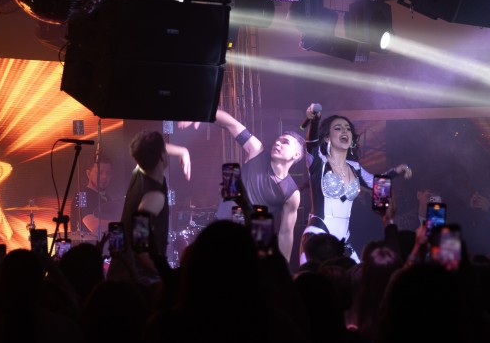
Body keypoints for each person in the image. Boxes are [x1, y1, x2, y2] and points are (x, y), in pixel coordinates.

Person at [176, 108, 304, 269]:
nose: (278, 143)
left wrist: (283, 271)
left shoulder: (292, 193)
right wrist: (199, 114)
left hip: (253, 245)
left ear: (296, 155)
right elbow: (231, 123)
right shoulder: (257, 151)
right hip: (224, 230)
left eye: (285, 142)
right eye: (278, 140)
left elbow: (286, 234)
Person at [301, 105, 411, 264]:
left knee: (359, 274)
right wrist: (315, 122)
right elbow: (311, 144)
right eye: (338, 128)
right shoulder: (319, 163)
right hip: (317, 236)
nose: (344, 131)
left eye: (347, 129)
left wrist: (397, 171)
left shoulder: (355, 168)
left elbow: (377, 182)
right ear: (326, 138)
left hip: (343, 240)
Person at [110, 129, 190, 286]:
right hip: (138, 282)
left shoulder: (139, 170)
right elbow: (140, 246)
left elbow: (150, 148)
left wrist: (183, 151)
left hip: (123, 274)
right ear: (161, 156)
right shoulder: (154, 197)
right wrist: (165, 274)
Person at [73, 152, 122, 240]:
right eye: (100, 173)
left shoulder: (107, 197)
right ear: (88, 174)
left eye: (108, 173)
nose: (104, 177)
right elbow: (94, 226)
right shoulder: (81, 196)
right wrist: (123, 222)